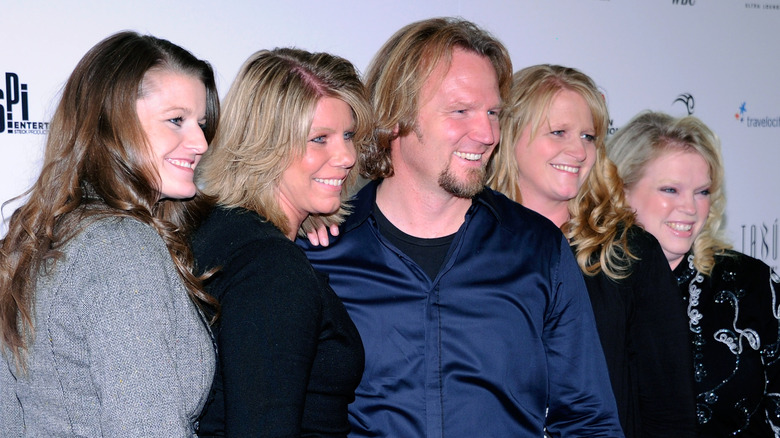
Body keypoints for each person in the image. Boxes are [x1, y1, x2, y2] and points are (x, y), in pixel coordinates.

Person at [299, 18, 623, 437]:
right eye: (460, 111)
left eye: (492, 112)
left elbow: (588, 421)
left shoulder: (538, 249)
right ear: (396, 118)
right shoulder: (320, 252)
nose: (487, 133)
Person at [0, 31, 218, 436]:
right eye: (176, 120)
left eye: (201, 124)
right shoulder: (120, 244)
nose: (201, 142)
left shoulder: (40, 237)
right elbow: (147, 426)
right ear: (111, 125)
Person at [487, 65, 697, 437]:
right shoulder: (470, 245)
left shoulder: (629, 254)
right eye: (559, 133)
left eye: (588, 136)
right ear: (510, 134)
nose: (579, 151)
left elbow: (669, 409)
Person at [191, 47, 370, 437]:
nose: (346, 156)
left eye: (348, 135)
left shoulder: (223, 232)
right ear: (264, 146)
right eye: (319, 139)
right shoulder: (271, 267)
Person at [607, 111, 780, 436]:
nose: (691, 207)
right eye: (670, 190)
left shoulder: (751, 282)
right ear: (621, 190)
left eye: (702, 192)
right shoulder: (589, 288)